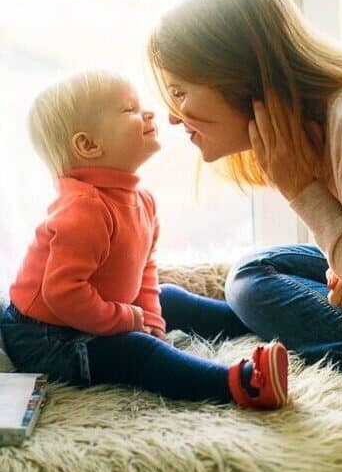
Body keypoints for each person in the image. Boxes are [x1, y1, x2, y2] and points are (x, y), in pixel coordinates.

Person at [147, 0, 342, 389]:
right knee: (257, 272)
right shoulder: (328, 120)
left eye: (179, 92)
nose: (173, 117)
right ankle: (262, 320)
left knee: (251, 284)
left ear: (234, 75)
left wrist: (302, 192)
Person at [0, 71, 288, 409]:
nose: (149, 113)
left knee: (170, 297)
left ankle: (259, 320)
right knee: (136, 351)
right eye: (129, 110)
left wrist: (149, 316)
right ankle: (239, 383)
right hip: (45, 337)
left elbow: (144, 269)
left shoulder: (142, 200)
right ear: (88, 145)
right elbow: (63, 294)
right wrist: (126, 320)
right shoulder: (83, 211)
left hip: (94, 311)